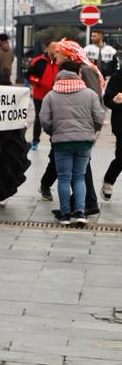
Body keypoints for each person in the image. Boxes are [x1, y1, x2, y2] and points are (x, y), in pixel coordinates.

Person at [38, 59, 105, 226]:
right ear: (78, 74)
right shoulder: (90, 94)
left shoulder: (51, 95)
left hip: (61, 143)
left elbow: (44, 119)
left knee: (63, 178)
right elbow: (99, 117)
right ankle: (80, 213)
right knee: (79, 177)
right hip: (84, 142)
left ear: (60, 73)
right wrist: (91, 131)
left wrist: (53, 132)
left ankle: (65, 214)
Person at [26, 41, 59, 151]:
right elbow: (29, 76)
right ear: (48, 48)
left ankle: (55, 141)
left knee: (56, 118)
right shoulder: (38, 61)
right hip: (40, 95)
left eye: (58, 48)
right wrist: (39, 83)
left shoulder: (60, 61)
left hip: (55, 95)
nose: (56, 50)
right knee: (39, 117)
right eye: (54, 48)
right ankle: (35, 140)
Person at [102, 65, 122, 200]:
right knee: (121, 157)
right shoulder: (118, 77)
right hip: (121, 123)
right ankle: (109, 181)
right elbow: (107, 99)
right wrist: (115, 101)